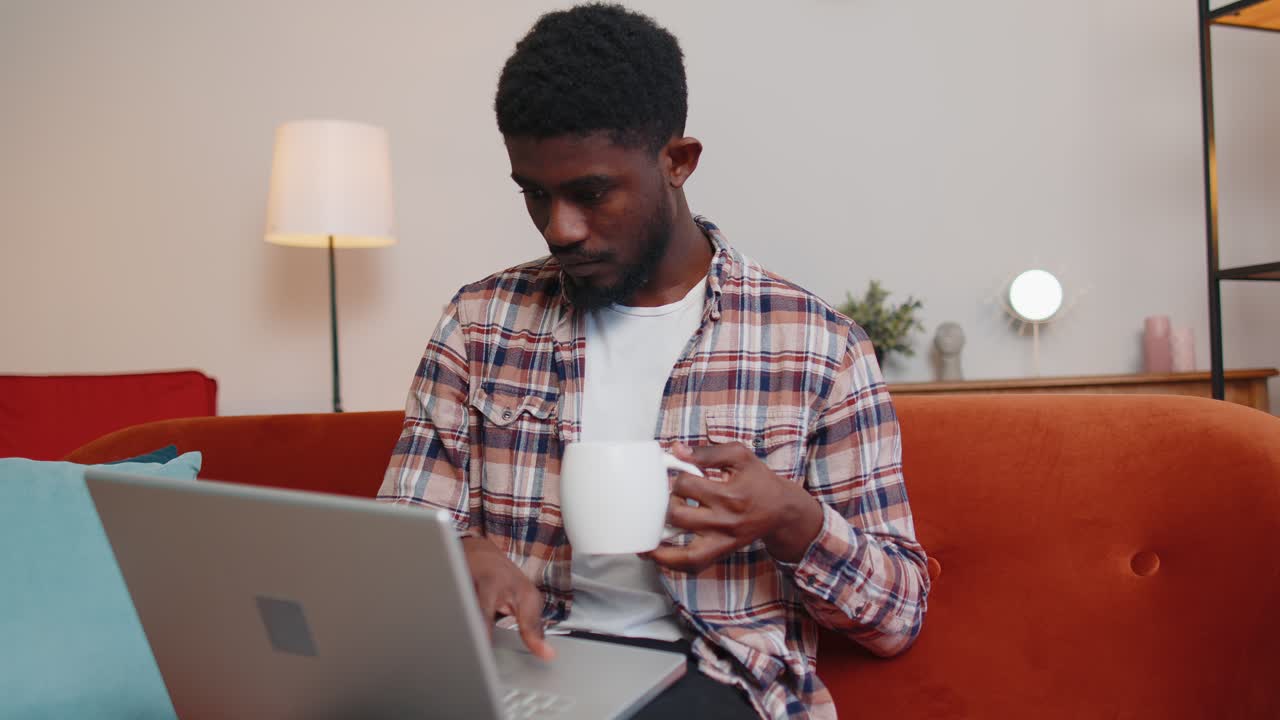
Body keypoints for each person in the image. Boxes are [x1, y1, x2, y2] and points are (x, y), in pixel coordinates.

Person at [379, 4, 930, 718]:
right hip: (522, 668)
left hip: (712, 678)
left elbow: (897, 618)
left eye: (590, 193)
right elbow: (398, 540)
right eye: (535, 194)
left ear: (678, 161)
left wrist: (790, 517)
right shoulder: (480, 324)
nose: (559, 228)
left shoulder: (818, 346)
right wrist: (460, 555)